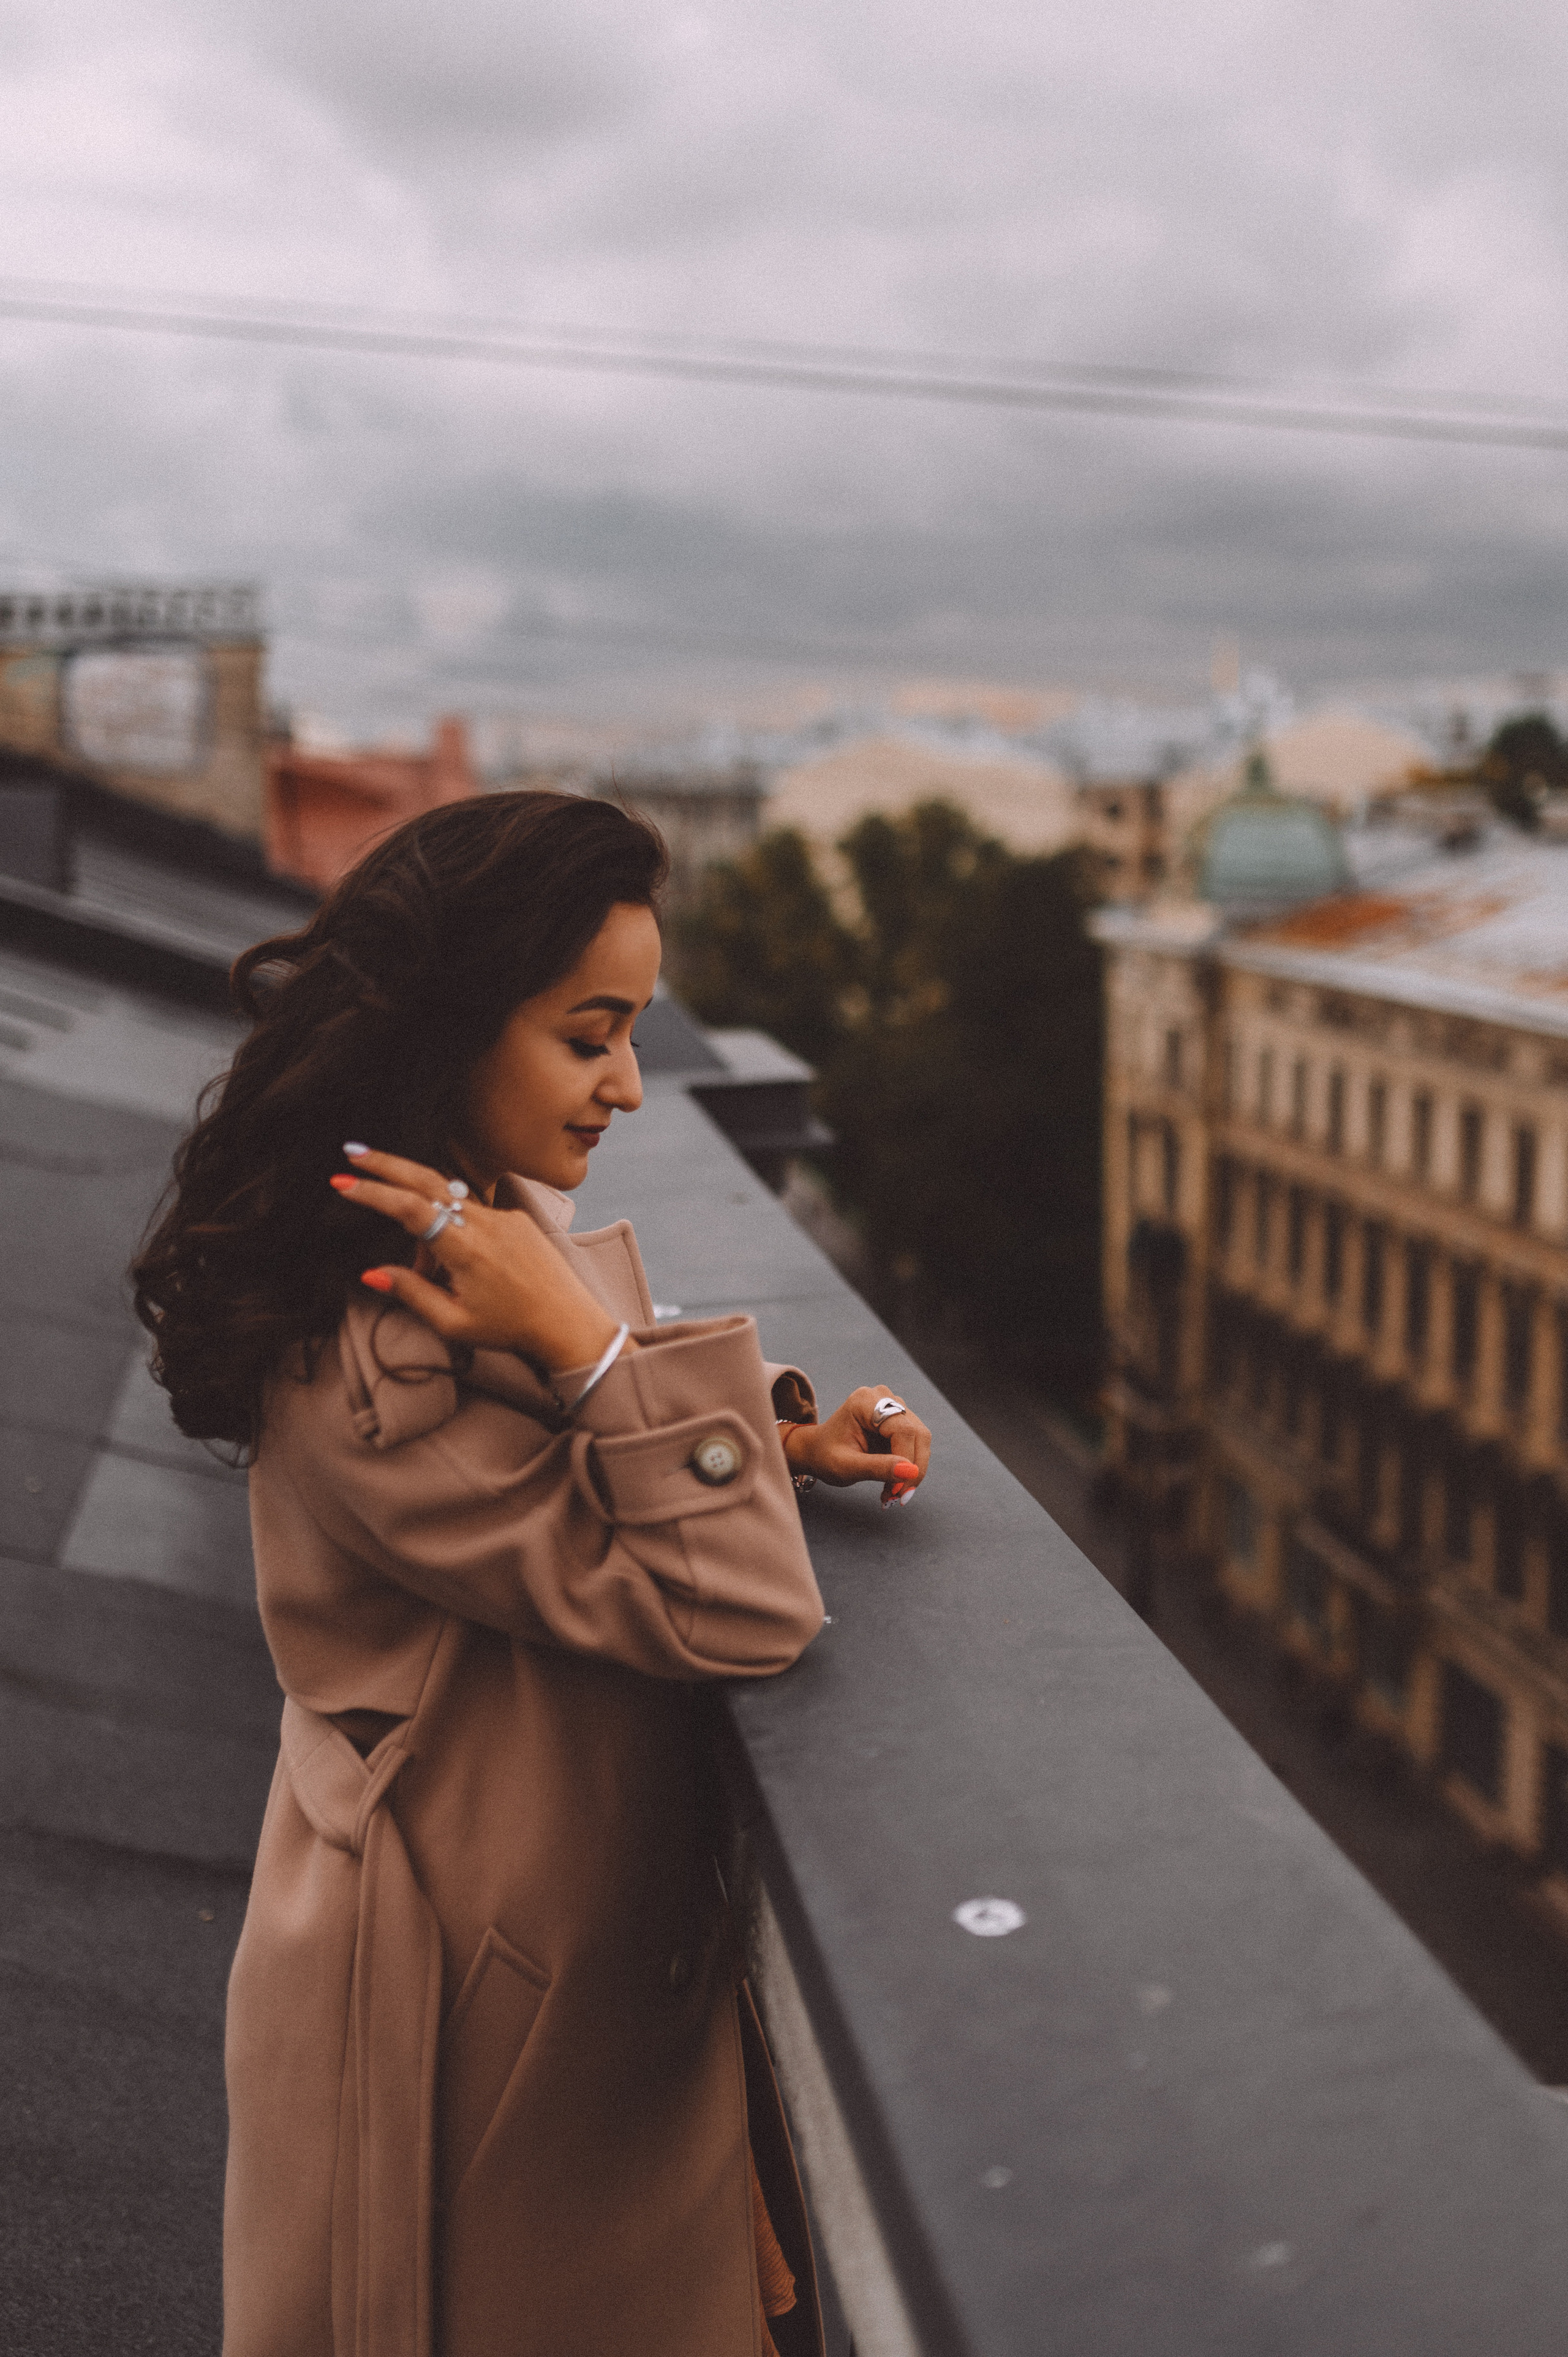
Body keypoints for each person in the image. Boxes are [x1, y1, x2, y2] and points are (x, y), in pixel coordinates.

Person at [131, 790, 932, 2357]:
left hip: (540, 1966)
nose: (631, 1084)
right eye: (590, 1036)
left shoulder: (459, 1234)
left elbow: (554, 1494)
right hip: (463, 2022)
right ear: (450, 1030)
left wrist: (773, 1441)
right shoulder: (376, 1343)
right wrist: (593, 1344)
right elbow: (739, 1607)